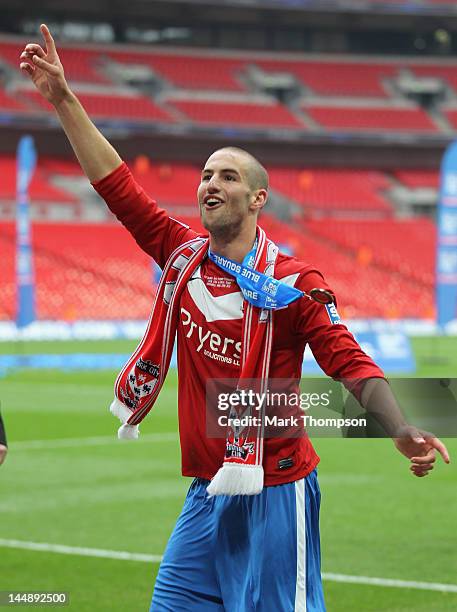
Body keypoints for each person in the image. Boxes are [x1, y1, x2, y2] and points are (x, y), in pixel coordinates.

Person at [20, 25, 450, 612]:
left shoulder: (292, 283)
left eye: (227, 176)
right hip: (207, 492)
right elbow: (116, 187)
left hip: (277, 488)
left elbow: (347, 360)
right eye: (204, 175)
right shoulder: (180, 253)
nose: (209, 184)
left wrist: (399, 426)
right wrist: (64, 100)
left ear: (257, 200)